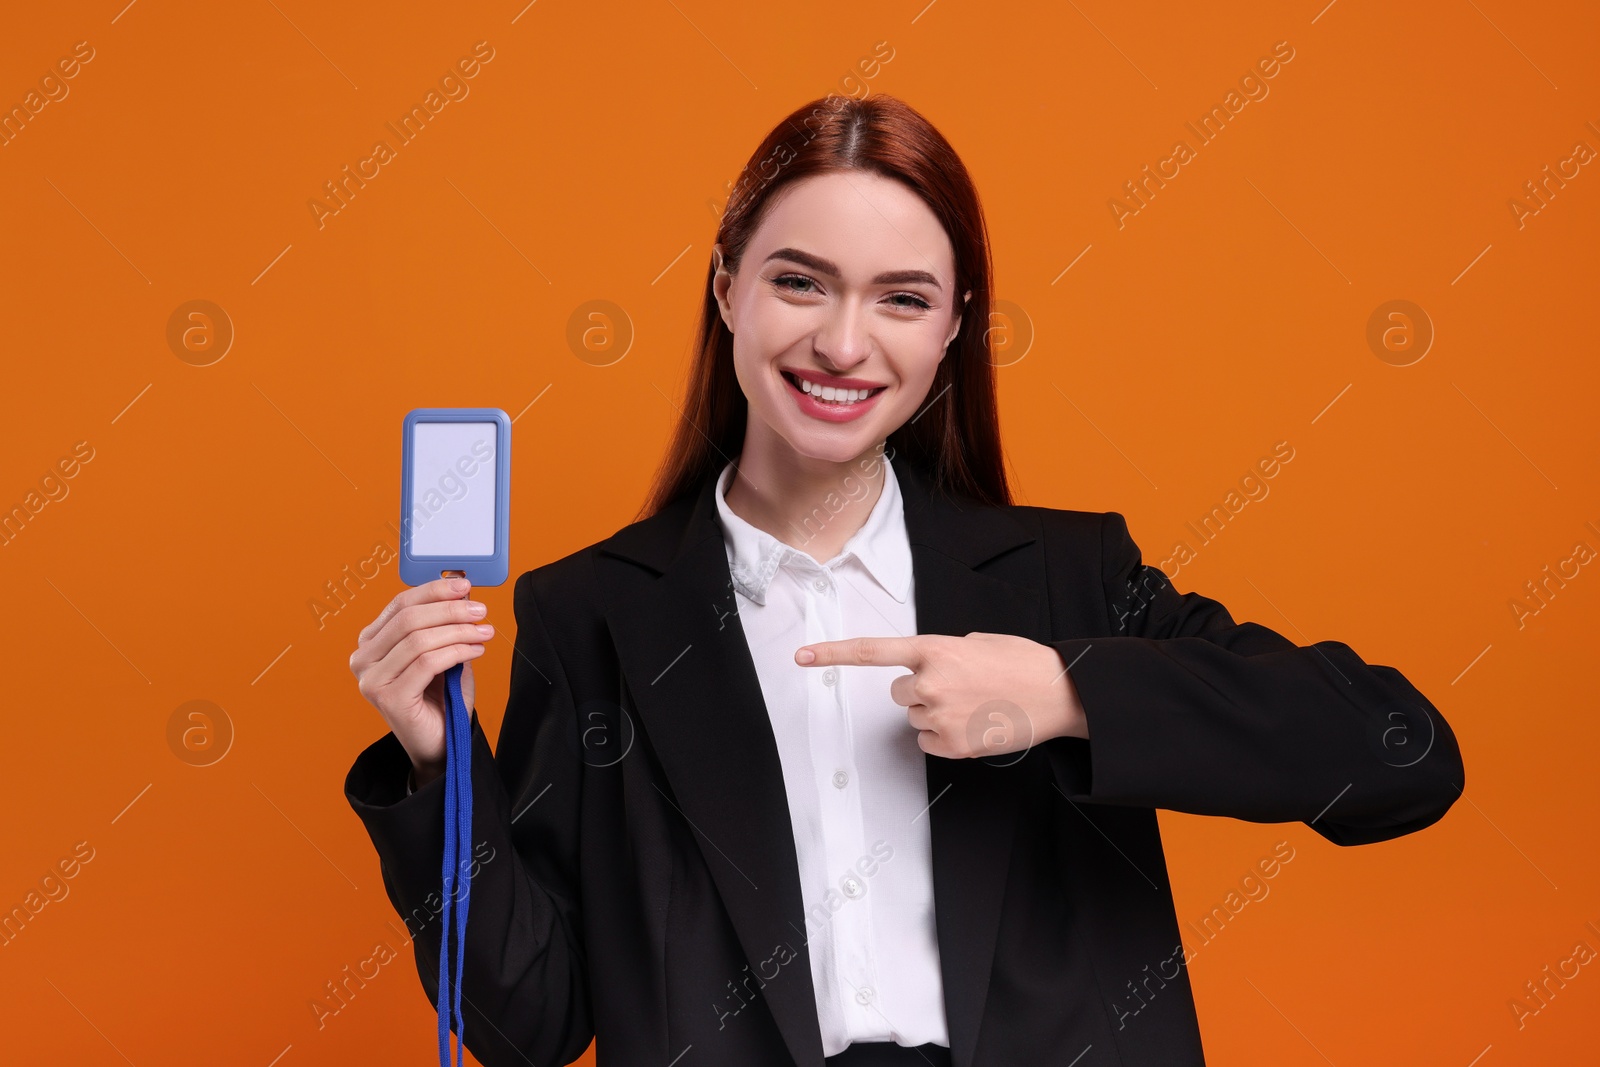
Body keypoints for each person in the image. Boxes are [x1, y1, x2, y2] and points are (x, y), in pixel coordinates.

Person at [344, 93, 1464, 1067]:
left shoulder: (1068, 577)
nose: (842, 342)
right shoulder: (589, 614)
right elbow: (530, 1021)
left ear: (953, 332)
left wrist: (1067, 693)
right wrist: (440, 767)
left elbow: (1400, 755)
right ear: (728, 290)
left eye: (902, 298)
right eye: (799, 281)